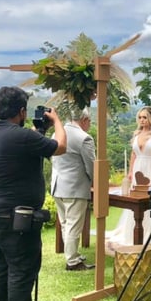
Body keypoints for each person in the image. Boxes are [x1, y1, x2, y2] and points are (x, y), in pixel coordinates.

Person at [0, 86, 66, 301]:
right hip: (15, 217)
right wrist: (57, 121)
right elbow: (60, 147)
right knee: (22, 268)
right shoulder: (21, 136)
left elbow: (23, 149)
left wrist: (38, 131)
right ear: (22, 111)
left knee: (1, 266)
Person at [106, 106, 151, 253]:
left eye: (144, 117)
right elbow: (134, 155)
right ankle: (133, 232)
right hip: (139, 168)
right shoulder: (136, 134)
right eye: (140, 117)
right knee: (136, 199)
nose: (142, 120)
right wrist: (130, 172)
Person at [50, 107, 95, 271]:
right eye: (89, 121)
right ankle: (73, 261)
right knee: (74, 225)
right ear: (84, 120)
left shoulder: (56, 133)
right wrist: (94, 181)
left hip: (57, 184)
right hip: (75, 186)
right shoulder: (84, 138)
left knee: (65, 223)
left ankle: (72, 253)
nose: (89, 125)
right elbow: (91, 165)